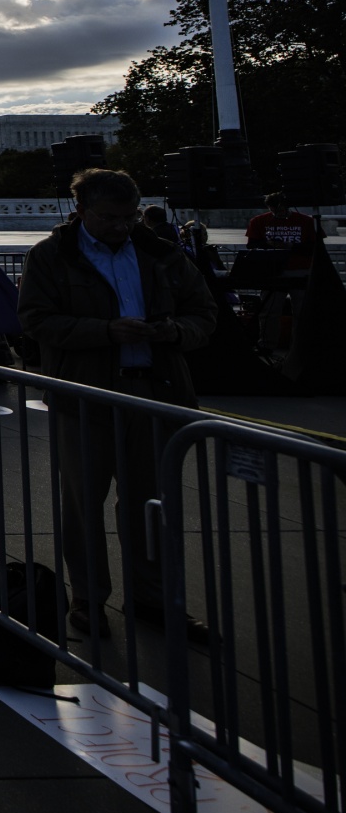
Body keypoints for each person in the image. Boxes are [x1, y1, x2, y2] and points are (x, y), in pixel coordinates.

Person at [17, 168, 217, 641]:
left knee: (152, 504)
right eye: (109, 218)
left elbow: (204, 313)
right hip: (86, 395)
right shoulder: (51, 256)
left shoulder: (161, 254)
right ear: (81, 211)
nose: (122, 227)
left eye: (129, 217)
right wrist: (104, 332)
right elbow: (35, 319)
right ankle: (87, 598)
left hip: (156, 392)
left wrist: (173, 332)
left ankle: (152, 598)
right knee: (85, 503)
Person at [245, 192, 320, 258]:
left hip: (299, 260)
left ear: (287, 207)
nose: (278, 214)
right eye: (273, 211)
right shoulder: (257, 221)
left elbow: (316, 246)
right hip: (269, 261)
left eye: (281, 211)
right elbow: (251, 245)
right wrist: (268, 244)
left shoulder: (306, 221)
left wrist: (292, 246)